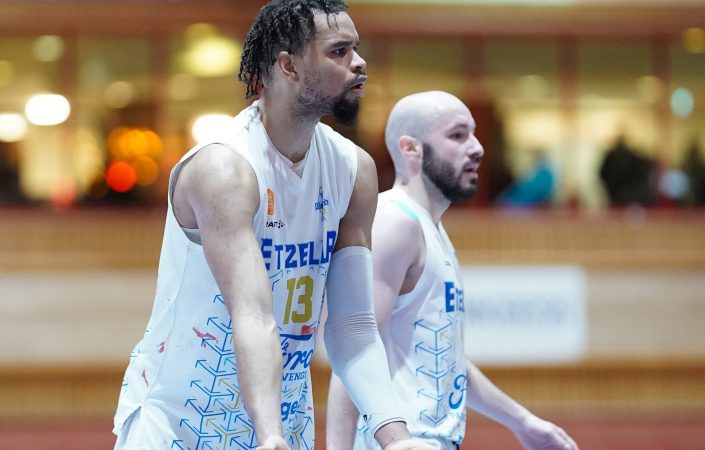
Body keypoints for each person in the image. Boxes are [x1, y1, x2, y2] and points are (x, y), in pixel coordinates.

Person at [113, 2, 435, 450]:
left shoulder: (354, 170)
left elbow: (353, 326)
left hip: (286, 426)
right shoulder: (224, 168)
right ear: (289, 65)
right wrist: (269, 435)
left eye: (356, 48)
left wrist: (395, 436)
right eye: (339, 51)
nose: (359, 62)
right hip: (182, 428)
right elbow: (252, 314)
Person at [326, 91, 579, 450]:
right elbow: (354, 352)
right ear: (410, 148)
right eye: (458, 135)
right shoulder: (396, 222)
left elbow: (447, 360)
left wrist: (521, 420)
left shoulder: (432, 230)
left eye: (473, 134)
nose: (477, 148)